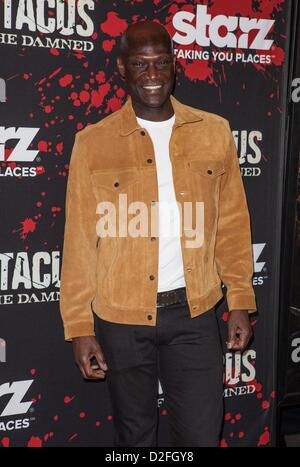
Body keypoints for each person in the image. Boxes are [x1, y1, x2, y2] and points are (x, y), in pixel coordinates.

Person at [59, 20, 257, 447]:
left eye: (161, 62)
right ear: (122, 70)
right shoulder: (93, 142)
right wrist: (79, 327)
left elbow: (232, 224)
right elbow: (78, 240)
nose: (152, 75)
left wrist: (240, 299)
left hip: (194, 312)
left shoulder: (213, 131)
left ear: (175, 65)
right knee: (136, 437)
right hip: (120, 318)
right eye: (140, 65)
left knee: (203, 434)